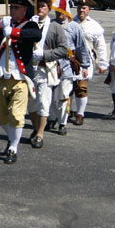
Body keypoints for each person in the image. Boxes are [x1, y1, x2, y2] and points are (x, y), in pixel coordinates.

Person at [0, 0, 42, 164]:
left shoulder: (30, 24)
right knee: (2, 116)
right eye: (12, 7)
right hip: (1, 76)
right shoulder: (6, 23)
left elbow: (35, 34)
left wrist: (14, 32)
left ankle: (13, 147)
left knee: (17, 115)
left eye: (16, 8)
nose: (13, 10)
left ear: (24, 10)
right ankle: (12, 137)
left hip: (20, 78)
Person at [26, 0, 67, 148]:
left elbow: (63, 50)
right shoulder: (30, 23)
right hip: (30, 70)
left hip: (45, 70)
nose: (39, 9)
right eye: (37, 6)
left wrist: (45, 54)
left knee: (43, 103)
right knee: (30, 104)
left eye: (43, 6)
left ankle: (40, 134)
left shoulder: (55, 27)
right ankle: (36, 128)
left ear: (49, 8)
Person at [47, 8, 91, 136]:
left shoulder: (74, 27)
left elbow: (81, 46)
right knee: (51, 96)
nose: (60, 13)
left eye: (63, 10)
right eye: (57, 10)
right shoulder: (49, 25)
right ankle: (51, 118)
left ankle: (62, 122)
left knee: (64, 95)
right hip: (51, 65)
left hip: (66, 66)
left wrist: (85, 66)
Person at [70, 0, 108, 125]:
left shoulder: (94, 26)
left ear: (89, 10)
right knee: (67, 88)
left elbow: (100, 46)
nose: (81, 10)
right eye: (79, 7)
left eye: (84, 8)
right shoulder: (70, 23)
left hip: (85, 61)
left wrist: (102, 63)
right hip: (70, 60)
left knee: (81, 88)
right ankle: (66, 112)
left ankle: (80, 114)